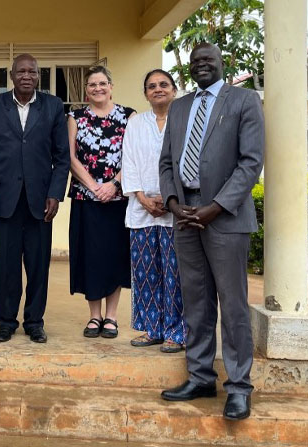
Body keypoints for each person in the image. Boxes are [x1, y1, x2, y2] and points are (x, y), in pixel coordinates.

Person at [157, 43, 264, 421]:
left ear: (223, 63)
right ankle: (200, 377)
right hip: (185, 214)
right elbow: (167, 160)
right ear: (190, 68)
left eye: (210, 59)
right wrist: (172, 204)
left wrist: (215, 207)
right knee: (196, 301)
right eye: (197, 60)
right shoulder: (181, 106)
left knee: (232, 305)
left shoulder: (244, 100)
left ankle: (238, 387)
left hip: (225, 216)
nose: (203, 64)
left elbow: (251, 162)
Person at [0, 53, 69, 344]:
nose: (27, 76)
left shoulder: (52, 106)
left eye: (33, 72)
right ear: (11, 75)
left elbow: (62, 157)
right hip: (4, 199)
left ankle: (34, 321)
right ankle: (6, 321)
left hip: (41, 202)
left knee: (39, 265)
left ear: (39, 76)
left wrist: (55, 194)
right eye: (22, 71)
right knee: (7, 264)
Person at [66, 66, 135, 339]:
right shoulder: (75, 117)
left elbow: (132, 156)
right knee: (90, 256)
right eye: (92, 84)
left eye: (102, 83)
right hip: (86, 197)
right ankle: (94, 316)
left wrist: (113, 185)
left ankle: (112, 317)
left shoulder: (129, 116)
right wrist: (94, 186)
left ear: (111, 85)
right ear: (86, 89)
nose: (98, 88)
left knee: (114, 256)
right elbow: (71, 158)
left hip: (117, 198)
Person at [121, 69, 187, 353]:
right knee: (146, 273)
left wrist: (169, 197)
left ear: (173, 90)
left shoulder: (184, 121)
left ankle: (177, 331)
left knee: (175, 274)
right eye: (151, 86)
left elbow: (189, 162)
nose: (158, 89)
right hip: (141, 210)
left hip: (177, 210)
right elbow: (129, 161)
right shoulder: (136, 123)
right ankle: (152, 328)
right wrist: (141, 197)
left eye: (163, 84)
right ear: (145, 93)